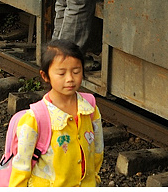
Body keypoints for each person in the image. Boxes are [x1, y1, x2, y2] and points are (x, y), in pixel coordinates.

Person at [7, 40, 103, 186]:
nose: (70, 78)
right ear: (45, 76)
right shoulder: (36, 118)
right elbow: (21, 165)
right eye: (61, 73)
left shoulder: (90, 107)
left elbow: (97, 149)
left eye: (76, 71)